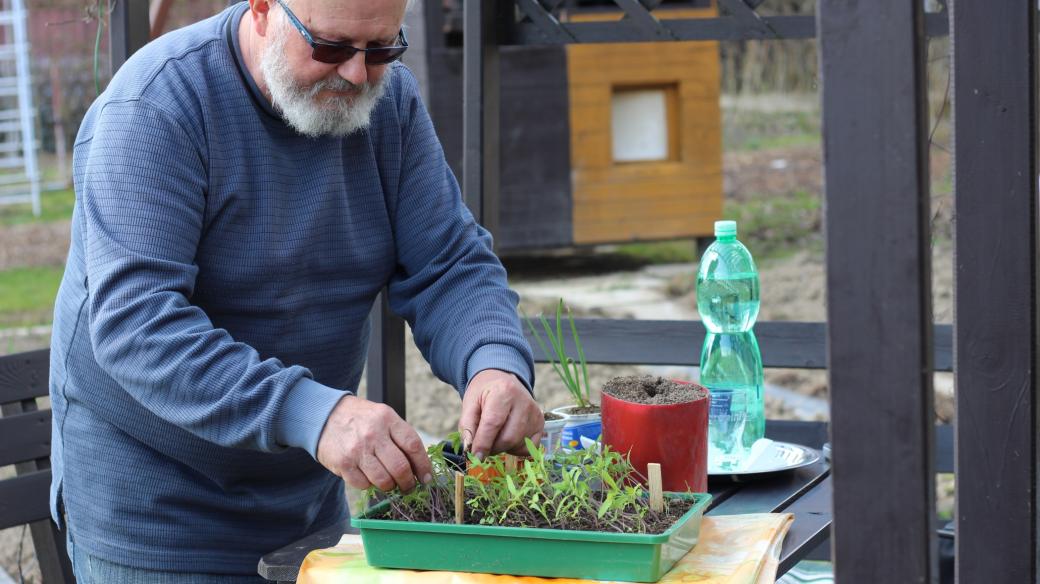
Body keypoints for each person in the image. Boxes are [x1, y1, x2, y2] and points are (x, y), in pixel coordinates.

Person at [49, 0, 543, 581]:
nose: (357, 74)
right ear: (261, 9)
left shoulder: (389, 102)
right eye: (331, 47)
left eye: (382, 49)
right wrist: (317, 414)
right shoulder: (158, 106)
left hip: (306, 494)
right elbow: (138, 324)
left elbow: (450, 264)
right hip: (156, 513)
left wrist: (493, 363)